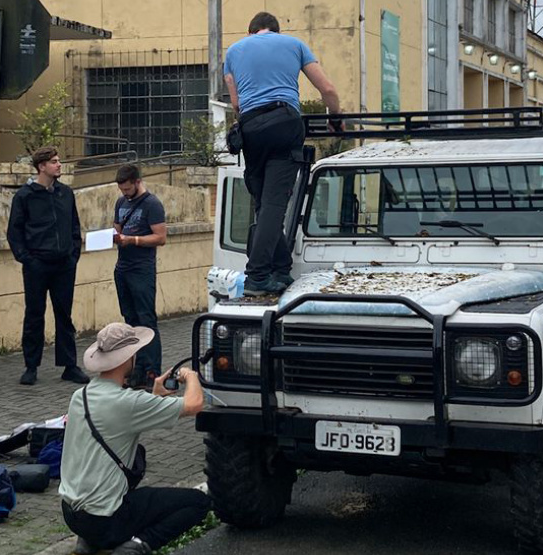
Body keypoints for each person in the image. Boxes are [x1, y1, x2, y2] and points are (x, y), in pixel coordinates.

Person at [60, 323, 210, 555]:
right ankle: (134, 547)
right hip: (105, 518)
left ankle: (90, 542)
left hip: (72, 514)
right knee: (197, 502)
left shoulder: (80, 396)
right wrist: (191, 377)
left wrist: (154, 397)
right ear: (126, 358)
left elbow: (120, 416)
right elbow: (194, 404)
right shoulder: (128, 403)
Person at [224, 11, 343, 296]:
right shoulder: (295, 44)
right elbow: (327, 88)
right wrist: (335, 117)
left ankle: (280, 268)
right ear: (275, 31)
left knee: (264, 203)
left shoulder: (234, 51)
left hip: (251, 128)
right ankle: (257, 276)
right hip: (284, 122)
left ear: (251, 32)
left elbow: (237, 104)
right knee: (275, 205)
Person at [7, 146, 89, 386]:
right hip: (37, 265)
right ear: (41, 166)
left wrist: (74, 254)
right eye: (54, 162)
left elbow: (74, 226)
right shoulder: (25, 196)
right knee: (34, 314)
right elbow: (14, 232)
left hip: (64, 264)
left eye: (58, 161)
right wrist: (27, 259)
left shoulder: (65, 193)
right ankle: (31, 366)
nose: (59, 165)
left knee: (64, 314)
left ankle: (69, 365)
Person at [112, 165, 167, 389]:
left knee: (146, 320)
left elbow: (160, 237)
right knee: (130, 320)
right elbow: (117, 228)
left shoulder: (152, 204)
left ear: (137, 182)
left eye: (127, 188)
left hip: (142, 269)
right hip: (123, 267)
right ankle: (136, 368)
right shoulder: (120, 202)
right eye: (121, 189)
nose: (125, 193)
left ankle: (152, 370)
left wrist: (132, 240)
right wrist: (115, 237)